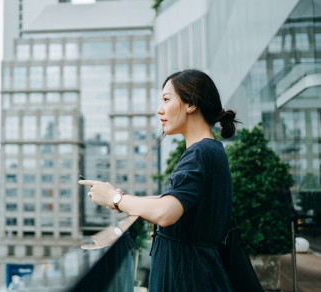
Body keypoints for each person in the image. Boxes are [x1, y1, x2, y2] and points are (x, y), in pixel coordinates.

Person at [79, 69, 239, 291]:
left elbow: (166, 211)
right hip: (198, 273)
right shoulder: (211, 150)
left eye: (166, 99)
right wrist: (119, 199)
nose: (159, 109)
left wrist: (115, 198)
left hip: (190, 278)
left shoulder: (200, 152)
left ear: (191, 103)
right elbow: (176, 200)